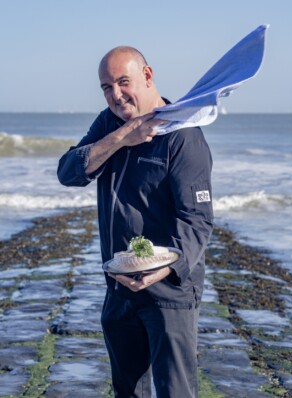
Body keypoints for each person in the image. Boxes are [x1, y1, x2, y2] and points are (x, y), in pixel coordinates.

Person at [57, 46, 213, 398]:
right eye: (106, 87)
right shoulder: (109, 123)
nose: (115, 94)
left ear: (147, 75)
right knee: (127, 392)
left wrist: (164, 268)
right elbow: (68, 172)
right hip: (117, 286)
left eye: (123, 82)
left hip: (168, 291)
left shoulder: (182, 134)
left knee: (175, 392)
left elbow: (197, 220)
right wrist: (120, 138)